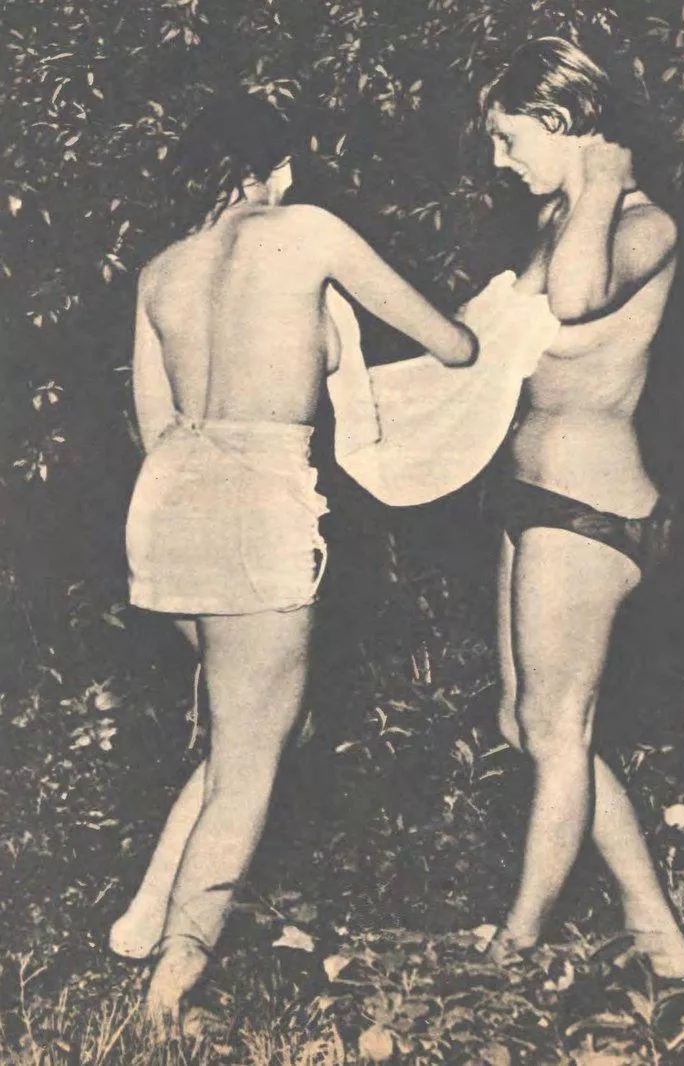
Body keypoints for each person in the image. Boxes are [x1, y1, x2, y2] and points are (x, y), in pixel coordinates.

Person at [112, 92, 477, 1030]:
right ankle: (166, 990)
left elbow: (154, 426)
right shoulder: (307, 227)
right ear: (275, 172)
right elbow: (453, 342)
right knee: (252, 758)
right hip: (256, 495)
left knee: (243, 727)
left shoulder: (160, 271)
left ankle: (148, 909)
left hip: (167, 499)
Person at [479, 37, 684, 976]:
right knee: (525, 724)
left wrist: (604, 184)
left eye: (510, 137)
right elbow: (492, 337)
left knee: (557, 730)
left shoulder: (645, 224)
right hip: (533, 497)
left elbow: (571, 301)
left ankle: (516, 946)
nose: (499, 160)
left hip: (591, 508)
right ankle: (661, 937)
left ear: (564, 123)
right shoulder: (560, 218)